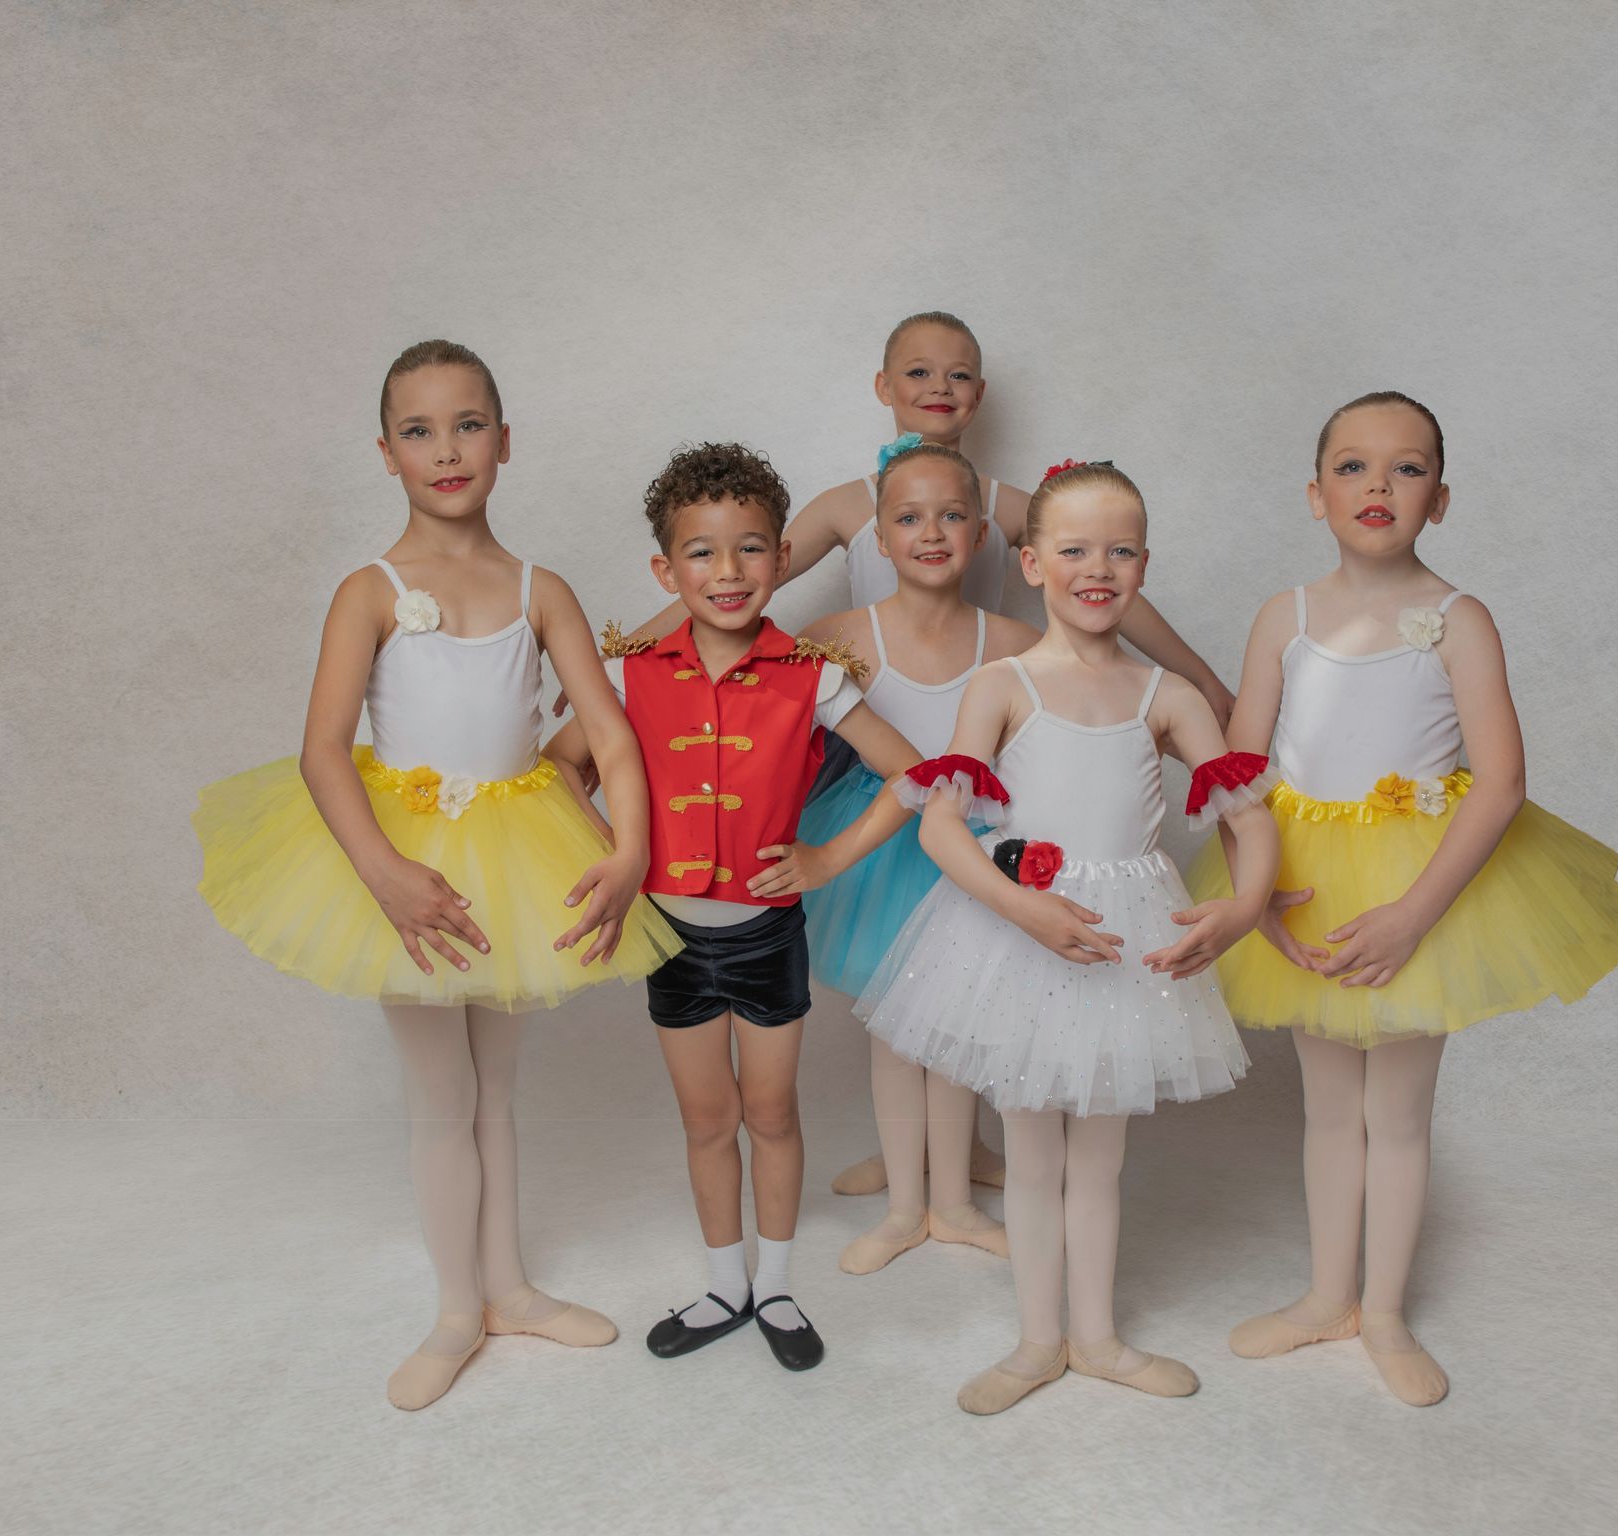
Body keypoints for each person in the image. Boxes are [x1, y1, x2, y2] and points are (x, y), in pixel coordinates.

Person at [195, 341, 680, 1409]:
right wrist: (383, 876)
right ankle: (456, 1310)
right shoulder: (368, 591)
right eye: (419, 431)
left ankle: (509, 1288)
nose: (447, 450)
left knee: (496, 1088)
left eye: (467, 426)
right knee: (441, 1094)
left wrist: (630, 850)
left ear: (504, 442)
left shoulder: (539, 589)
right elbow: (324, 750)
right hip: (407, 864)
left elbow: (610, 731)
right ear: (387, 453)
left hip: (517, 848)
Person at [1189, 392, 1618, 1406]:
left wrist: (1412, 915)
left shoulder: (1459, 619)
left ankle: (1383, 1313)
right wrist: (1257, 894)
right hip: (1302, 879)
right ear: (1315, 495)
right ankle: (1325, 1297)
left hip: (1417, 889)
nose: (1378, 485)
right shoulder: (1284, 617)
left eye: (1407, 467)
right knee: (1325, 1110)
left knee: (1395, 1114)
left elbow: (1502, 782)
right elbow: (1235, 774)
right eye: (1351, 466)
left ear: (1441, 498)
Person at [856, 460, 1278, 1414]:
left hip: (1125, 943)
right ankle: (1036, 1343)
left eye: (1121, 551)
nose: (1099, 568)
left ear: (1144, 566)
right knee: (1033, 1154)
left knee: (1100, 1158)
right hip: (1023, 937)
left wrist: (1246, 905)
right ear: (1034, 562)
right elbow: (940, 828)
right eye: (1077, 549)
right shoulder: (1002, 684)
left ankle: (1099, 1340)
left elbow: (1251, 821)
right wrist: (1021, 908)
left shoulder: (1167, 694)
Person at [546, 442, 921, 1371]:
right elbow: (558, 766)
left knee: (773, 1114)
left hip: (766, 935)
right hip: (670, 936)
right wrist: (619, 854)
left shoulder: (812, 674)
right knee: (708, 1121)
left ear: (782, 558)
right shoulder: (628, 673)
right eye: (702, 552)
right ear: (665, 570)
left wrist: (828, 857)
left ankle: (779, 1285)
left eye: (751, 548)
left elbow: (913, 773)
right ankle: (725, 1283)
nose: (728, 571)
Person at [797, 440, 1039, 1274]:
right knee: (898, 1036)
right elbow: (752, 695)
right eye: (908, 517)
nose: (930, 533)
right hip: (881, 847)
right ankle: (906, 1208)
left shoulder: (1015, 641)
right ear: (879, 536)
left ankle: (956, 1203)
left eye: (951, 516)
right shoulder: (837, 638)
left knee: (959, 1029)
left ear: (981, 533)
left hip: (974, 846)